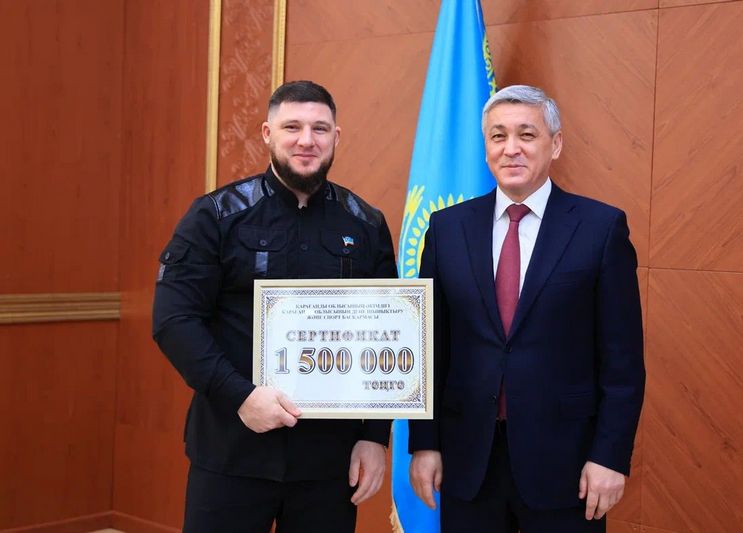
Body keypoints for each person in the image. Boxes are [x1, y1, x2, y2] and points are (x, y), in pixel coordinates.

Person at [152, 80, 397, 533]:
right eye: (292, 127)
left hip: (328, 464)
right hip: (232, 449)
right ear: (268, 134)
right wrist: (241, 396)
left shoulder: (365, 224)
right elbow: (174, 320)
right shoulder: (215, 216)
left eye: (319, 129)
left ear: (336, 137)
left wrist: (373, 436)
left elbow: (387, 335)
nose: (307, 140)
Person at [408, 85, 645, 532]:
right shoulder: (447, 228)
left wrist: (610, 456)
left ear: (555, 144)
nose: (511, 148)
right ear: (485, 147)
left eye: (527, 135)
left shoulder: (600, 229)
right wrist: (425, 443)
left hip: (567, 466)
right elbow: (431, 348)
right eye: (498, 136)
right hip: (467, 462)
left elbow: (623, 362)